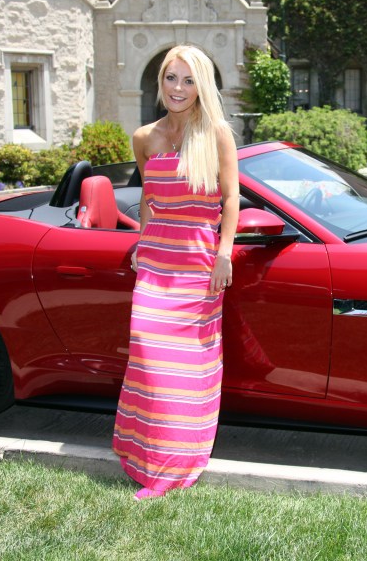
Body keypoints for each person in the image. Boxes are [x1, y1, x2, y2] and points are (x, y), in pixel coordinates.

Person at [112, 45, 240, 500]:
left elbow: (229, 199)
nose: (178, 88)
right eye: (171, 78)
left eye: (188, 80)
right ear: (159, 82)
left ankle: (172, 467)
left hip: (198, 265)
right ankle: (142, 453)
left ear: (201, 85)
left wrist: (224, 253)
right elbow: (149, 197)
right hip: (156, 263)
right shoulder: (144, 137)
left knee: (183, 371)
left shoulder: (217, 134)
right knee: (148, 356)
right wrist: (141, 242)